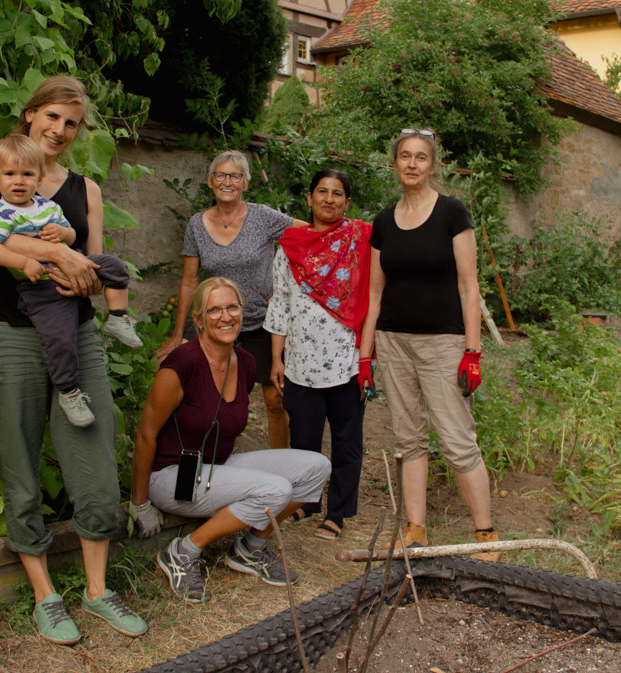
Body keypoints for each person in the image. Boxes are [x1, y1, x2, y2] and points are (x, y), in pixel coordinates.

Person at [0, 75, 147, 645]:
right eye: (52, 118)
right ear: (30, 115)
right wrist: (49, 251)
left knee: (93, 458)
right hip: (10, 337)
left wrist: (83, 280)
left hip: (76, 331)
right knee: (17, 460)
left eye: (71, 123)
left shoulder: (84, 188)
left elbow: (92, 265)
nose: (60, 131)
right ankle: (46, 595)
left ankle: (96, 591)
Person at [130, 277, 331, 603]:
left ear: (243, 311)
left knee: (316, 467)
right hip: (171, 475)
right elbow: (145, 435)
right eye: (214, 310)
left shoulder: (247, 362)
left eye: (232, 307)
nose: (226, 317)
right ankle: (183, 552)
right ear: (198, 319)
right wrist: (140, 503)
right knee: (275, 489)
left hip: (215, 465)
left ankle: (250, 549)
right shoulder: (183, 363)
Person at [359, 127, 499, 560]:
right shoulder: (383, 222)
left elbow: (469, 286)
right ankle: (415, 529)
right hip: (394, 341)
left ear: (432, 165)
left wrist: (472, 351)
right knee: (408, 439)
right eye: (405, 156)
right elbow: (375, 295)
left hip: (444, 342)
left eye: (421, 157)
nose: (413, 164)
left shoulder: (452, 213)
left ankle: (486, 536)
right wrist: (366, 357)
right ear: (394, 163)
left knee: (457, 439)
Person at [0, 134, 142, 427]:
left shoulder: (46, 207)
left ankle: (118, 316)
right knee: (60, 339)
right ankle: (68, 391)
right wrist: (23, 262)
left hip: (74, 266)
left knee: (115, 266)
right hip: (40, 287)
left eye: (27, 174)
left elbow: (73, 234)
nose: (18, 181)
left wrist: (62, 234)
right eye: (10, 174)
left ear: (39, 178)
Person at [154, 150, 308, 449]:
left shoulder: (263, 217)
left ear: (244, 183)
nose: (227, 181)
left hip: (260, 322)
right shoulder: (197, 225)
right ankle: (191, 457)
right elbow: (188, 281)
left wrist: (288, 289)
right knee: (188, 384)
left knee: (275, 398)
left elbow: (309, 235)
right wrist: (177, 335)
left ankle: (280, 465)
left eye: (235, 176)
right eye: (221, 175)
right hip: (214, 323)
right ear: (211, 181)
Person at [264, 169, 371, 541]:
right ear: (308, 199)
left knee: (347, 441)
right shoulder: (290, 245)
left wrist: (367, 357)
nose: (329, 199)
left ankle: (338, 512)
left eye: (337, 193)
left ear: (348, 202)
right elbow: (280, 303)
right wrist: (276, 359)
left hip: (347, 361)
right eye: (321, 192)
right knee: (304, 440)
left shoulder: (359, 241)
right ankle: (307, 504)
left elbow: (374, 297)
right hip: (298, 362)